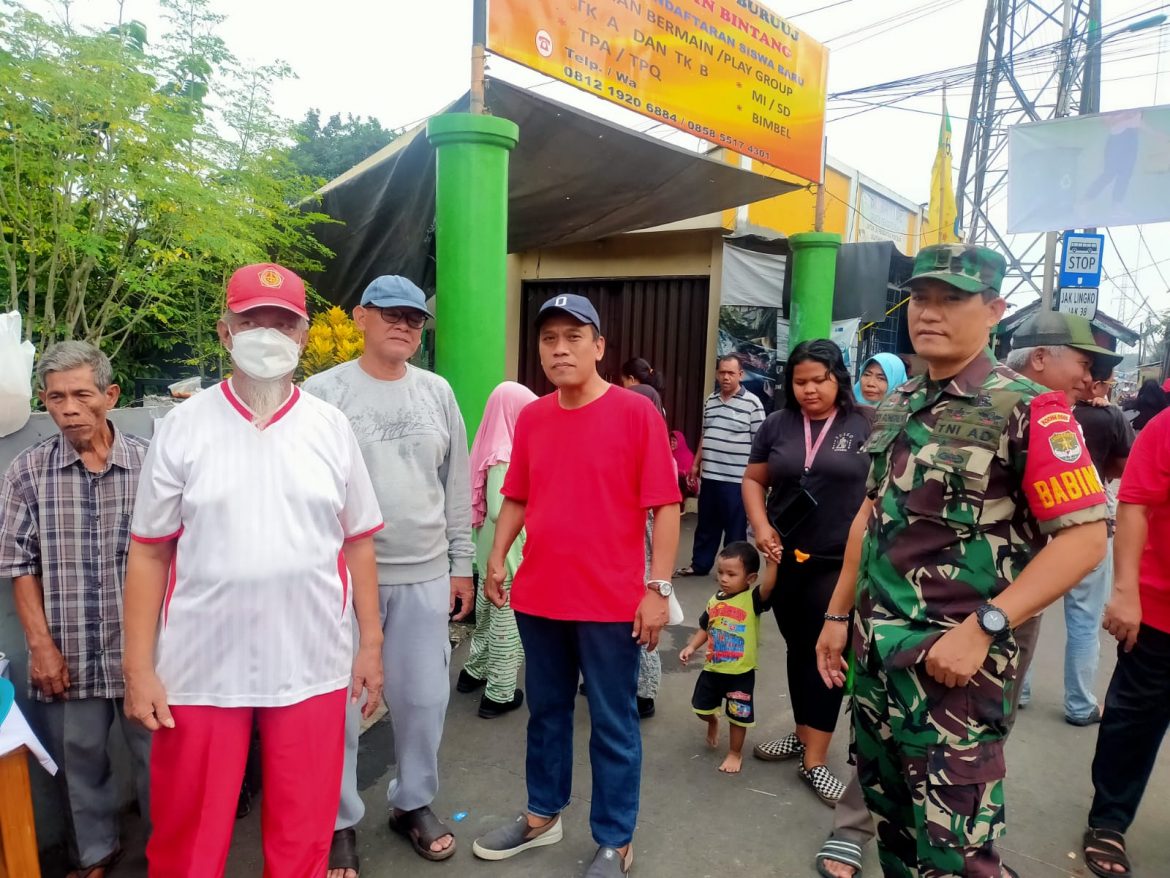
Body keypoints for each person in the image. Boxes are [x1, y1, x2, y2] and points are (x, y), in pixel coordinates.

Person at [814, 244, 1108, 878]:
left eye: (953, 299)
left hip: (955, 676)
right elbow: (871, 517)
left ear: (995, 310)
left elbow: (1085, 540)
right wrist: (838, 616)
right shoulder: (898, 403)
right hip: (875, 661)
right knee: (892, 830)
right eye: (922, 298)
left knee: (957, 854)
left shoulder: (1028, 408)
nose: (930, 313)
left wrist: (986, 628)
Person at [121, 263, 386, 877]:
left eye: (283, 320)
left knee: (303, 837)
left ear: (302, 334)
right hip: (200, 670)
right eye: (251, 319)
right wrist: (138, 668)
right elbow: (150, 550)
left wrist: (369, 645)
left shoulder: (330, 428)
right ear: (224, 331)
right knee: (189, 840)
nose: (267, 331)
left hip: (312, 663)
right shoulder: (182, 428)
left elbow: (357, 544)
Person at [471, 294, 680, 877]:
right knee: (547, 713)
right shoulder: (534, 417)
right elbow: (518, 494)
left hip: (611, 602)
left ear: (599, 347)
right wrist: (496, 558)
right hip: (540, 596)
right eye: (548, 340)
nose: (559, 349)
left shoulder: (637, 413)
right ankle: (542, 814)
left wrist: (657, 589)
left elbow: (664, 506)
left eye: (573, 337)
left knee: (613, 723)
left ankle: (615, 839)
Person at [301, 274, 474, 872]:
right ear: (360, 317)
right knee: (343, 706)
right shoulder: (324, 393)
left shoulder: (436, 392)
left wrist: (462, 564)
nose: (404, 325)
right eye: (391, 314)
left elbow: (457, 483)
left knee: (424, 699)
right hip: (343, 577)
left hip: (425, 571)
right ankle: (339, 818)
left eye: (415, 318)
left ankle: (412, 802)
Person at [0, 341, 151, 878]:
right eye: (57, 397)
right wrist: (40, 647)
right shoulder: (28, 471)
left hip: (144, 648)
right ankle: (95, 853)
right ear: (44, 400)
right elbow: (17, 564)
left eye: (81, 394)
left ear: (109, 396)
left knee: (158, 758)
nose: (68, 408)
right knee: (79, 755)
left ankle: (171, 849)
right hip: (69, 646)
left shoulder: (149, 465)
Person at [743, 339, 872, 805]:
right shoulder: (777, 424)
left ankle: (815, 761)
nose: (810, 390)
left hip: (838, 565)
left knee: (828, 657)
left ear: (839, 378)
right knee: (799, 651)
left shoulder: (866, 424)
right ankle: (802, 735)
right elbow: (755, 479)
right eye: (800, 381)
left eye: (820, 379)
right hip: (786, 561)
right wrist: (760, 526)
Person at [1004, 317, 1130, 727]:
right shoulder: (1044, 412)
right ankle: (1079, 703)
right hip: (1019, 567)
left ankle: (1020, 692)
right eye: (1083, 363)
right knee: (1081, 622)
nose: (1088, 378)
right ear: (1040, 357)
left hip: (1029, 562)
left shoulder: (1058, 411)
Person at [1081, 398, 1170, 877]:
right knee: (1134, 722)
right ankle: (1109, 821)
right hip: (1161, 610)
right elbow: (1135, 503)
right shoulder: (1166, 427)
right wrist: (1125, 592)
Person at [456, 381, 537, 718]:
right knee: (507, 620)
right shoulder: (505, 452)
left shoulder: (491, 444)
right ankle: (500, 694)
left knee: (489, 618)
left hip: (492, 550)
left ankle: (473, 672)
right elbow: (498, 508)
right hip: (509, 554)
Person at [679, 541, 777, 774]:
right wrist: (691, 646)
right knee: (700, 708)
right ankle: (713, 720)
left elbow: (770, 586)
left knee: (738, 717)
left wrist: (771, 563)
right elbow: (705, 627)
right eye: (721, 572)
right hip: (712, 669)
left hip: (739, 674)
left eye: (731, 574)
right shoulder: (714, 601)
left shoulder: (753, 600)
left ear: (750, 578)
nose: (723, 578)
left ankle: (735, 753)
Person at [675, 354, 764, 577]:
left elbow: (760, 444)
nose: (726, 377)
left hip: (737, 480)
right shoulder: (711, 401)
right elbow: (706, 435)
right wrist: (696, 464)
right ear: (717, 373)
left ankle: (735, 572)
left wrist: (758, 480)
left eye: (731, 373)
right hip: (711, 476)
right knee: (706, 525)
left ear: (740, 375)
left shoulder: (752, 404)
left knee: (734, 529)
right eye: (722, 372)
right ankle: (700, 565)